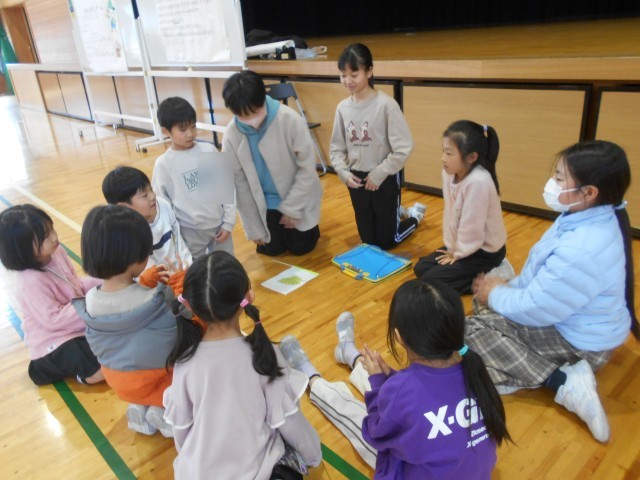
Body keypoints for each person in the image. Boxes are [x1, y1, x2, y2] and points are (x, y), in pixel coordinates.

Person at [468, 140, 639, 443]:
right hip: (578, 325)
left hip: (581, 345)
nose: (552, 183)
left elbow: (536, 307)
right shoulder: (587, 214)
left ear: (589, 192)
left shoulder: (581, 248)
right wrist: (501, 291)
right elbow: (542, 280)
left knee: (468, 333)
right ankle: (531, 368)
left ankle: (560, 380)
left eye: (560, 178)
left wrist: (496, 294)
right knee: (485, 299)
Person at [280, 279, 511, 479]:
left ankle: (312, 378)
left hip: (408, 466)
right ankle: (351, 355)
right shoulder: (473, 368)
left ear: (399, 337)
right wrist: (387, 380)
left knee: (354, 415)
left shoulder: (403, 388)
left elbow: (374, 430)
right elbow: (425, 394)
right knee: (388, 386)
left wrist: (378, 385)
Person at [163, 252, 322, 479]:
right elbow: (290, 422)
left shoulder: (185, 362)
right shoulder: (264, 356)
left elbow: (181, 432)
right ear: (249, 296)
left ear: (189, 306)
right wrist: (314, 456)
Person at [73, 205, 183, 437]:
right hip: (158, 380)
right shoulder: (155, 300)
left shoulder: (90, 300)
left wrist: (144, 281)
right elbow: (187, 322)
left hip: (118, 380)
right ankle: (164, 410)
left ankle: (140, 407)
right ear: (135, 258)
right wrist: (181, 283)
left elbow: (123, 304)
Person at [329, 43, 425, 250]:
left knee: (388, 241)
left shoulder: (386, 105)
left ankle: (414, 216)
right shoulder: (342, 108)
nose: (348, 80)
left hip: (384, 178)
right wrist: (343, 173)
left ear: (369, 71)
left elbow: (404, 147)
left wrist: (379, 173)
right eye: (343, 75)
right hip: (356, 180)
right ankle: (396, 212)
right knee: (368, 242)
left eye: (354, 74)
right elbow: (336, 148)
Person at [0, 205, 104, 386]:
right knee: (96, 366)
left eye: (51, 229)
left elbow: (76, 285)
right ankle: (56, 370)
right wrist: (93, 302)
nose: (54, 237)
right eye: (45, 236)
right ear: (22, 249)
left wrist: (104, 283)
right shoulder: (29, 280)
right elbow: (54, 320)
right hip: (53, 339)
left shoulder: (57, 252)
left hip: (74, 323)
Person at [222, 70, 322, 256]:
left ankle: (310, 228)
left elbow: (306, 168)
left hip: (295, 196)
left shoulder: (290, 119)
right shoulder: (231, 134)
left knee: (301, 248)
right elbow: (239, 185)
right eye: (243, 116)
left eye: (254, 112)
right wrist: (253, 228)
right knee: (271, 250)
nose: (251, 120)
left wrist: (294, 206)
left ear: (263, 100)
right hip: (264, 205)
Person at [413, 120, 509, 294]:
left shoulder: (478, 182)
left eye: (449, 153)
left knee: (430, 280)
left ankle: (494, 276)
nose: (443, 158)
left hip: (485, 252)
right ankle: (468, 271)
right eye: (443, 151)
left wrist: (457, 254)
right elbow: (451, 214)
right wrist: (451, 248)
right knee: (421, 268)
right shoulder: (449, 174)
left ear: (472, 157)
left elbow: (472, 229)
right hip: (464, 245)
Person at [152, 96, 236, 258]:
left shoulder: (209, 150)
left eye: (193, 126)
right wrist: (174, 235)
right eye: (182, 129)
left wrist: (228, 223)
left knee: (226, 263)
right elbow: (162, 203)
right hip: (189, 231)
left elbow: (227, 188)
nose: (190, 133)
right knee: (194, 267)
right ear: (165, 131)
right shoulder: (163, 164)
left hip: (219, 224)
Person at [102, 165, 192, 268]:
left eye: (151, 189)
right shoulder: (125, 234)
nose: (153, 196)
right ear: (124, 207)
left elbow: (178, 239)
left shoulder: (163, 205)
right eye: (144, 195)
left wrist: (186, 265)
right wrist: (169, 276)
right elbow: (145, 269)